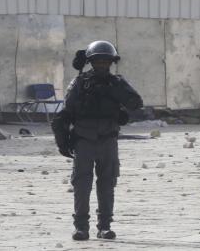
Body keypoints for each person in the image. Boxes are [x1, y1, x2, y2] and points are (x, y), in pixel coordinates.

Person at [52, 41, 143, 241]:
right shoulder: (80, 83)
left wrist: (115, 93)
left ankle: (104, 226)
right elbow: (65, 112)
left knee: (107, 184)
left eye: (106, 61)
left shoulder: (117, 83)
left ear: (111, 62)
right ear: (91, 62)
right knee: (82, 185)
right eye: (98, 61)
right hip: (84, 140)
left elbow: (136, 103)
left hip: (108, 140)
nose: (102, 64)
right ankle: (81, 227)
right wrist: (63, 142)